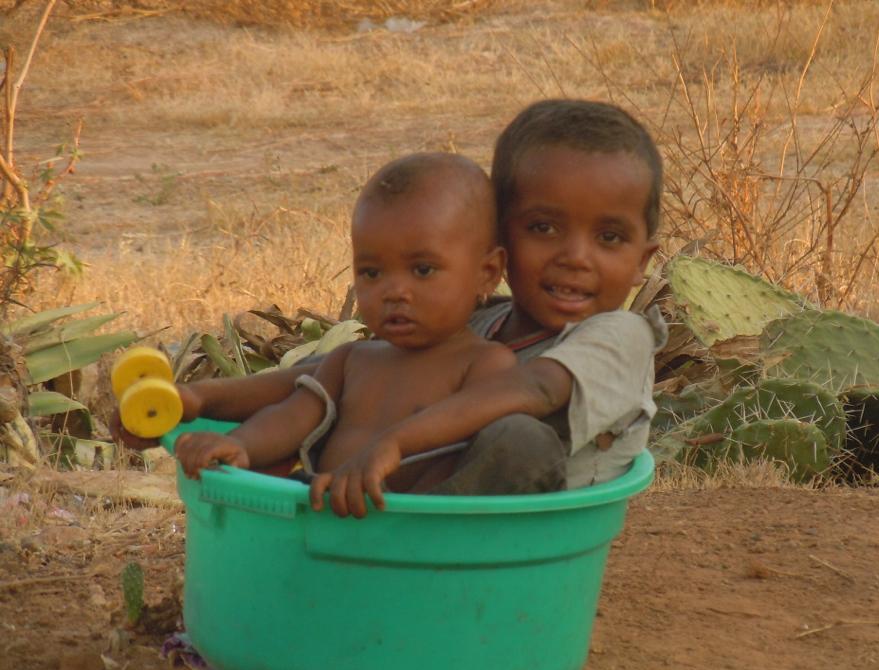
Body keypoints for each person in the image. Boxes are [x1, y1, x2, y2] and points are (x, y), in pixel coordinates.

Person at [114, 99, 666, 516]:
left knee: (517, 437)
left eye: (610, 238)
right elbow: (324, 378)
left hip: (509, 539)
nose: (575, 258)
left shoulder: (620, 335)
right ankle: (321, 514)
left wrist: (394, 441)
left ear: (644, 259)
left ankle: (409, 546)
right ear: (495, 250)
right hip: (379, 484)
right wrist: (191, 400)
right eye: (543, 228)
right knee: (343, 394)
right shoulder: (476, 321)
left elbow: (535, 390)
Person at [173, 152, 517, 505]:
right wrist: (241, 445)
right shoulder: (352, 360)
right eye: (371, 273)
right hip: (324, 508)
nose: (394, 292)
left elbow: (465, 458)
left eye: (423, 270)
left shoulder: (486, 364)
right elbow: (291, 417)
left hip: (411, 521)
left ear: (487, 273)